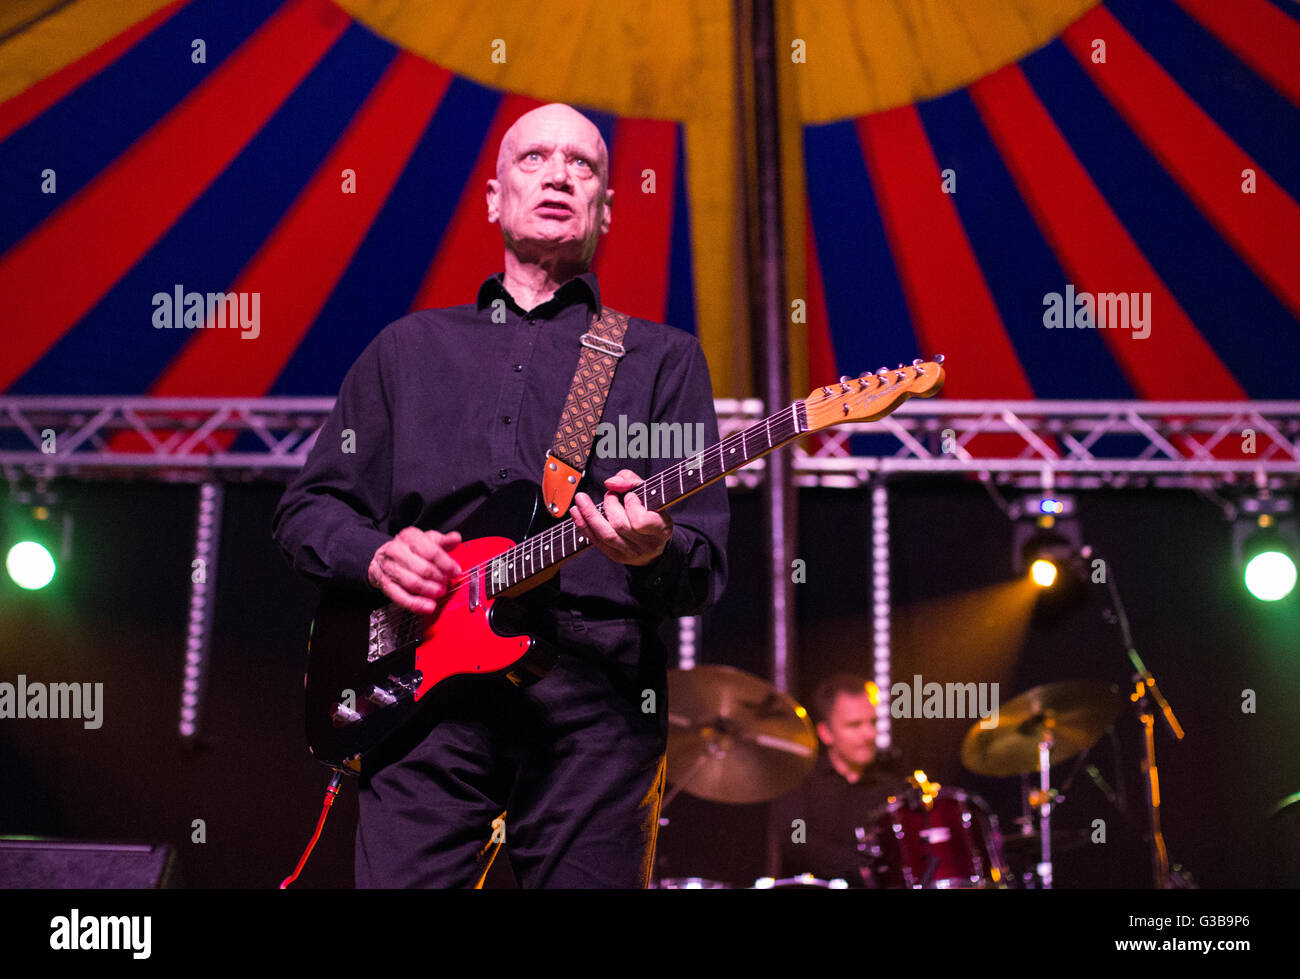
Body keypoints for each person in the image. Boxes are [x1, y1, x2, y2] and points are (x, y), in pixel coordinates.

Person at [272, 103, 729, 888]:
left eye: (583, 165)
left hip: (600, 708)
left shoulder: (663, 360)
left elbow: (704, 565)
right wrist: (379, 555)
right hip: (421, 699)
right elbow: (307, 511)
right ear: (493, 198)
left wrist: (655, 551)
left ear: (607, 209)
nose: (558, 173)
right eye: (534, 159)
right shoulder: (407, 349)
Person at [769, 673, 904, 885]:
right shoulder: (801, 780)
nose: (869, 733)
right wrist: (859, 865)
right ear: (826, 733)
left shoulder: (889, 788)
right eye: (855, 725)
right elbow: (796, 838)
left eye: (873, 722)